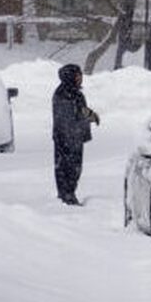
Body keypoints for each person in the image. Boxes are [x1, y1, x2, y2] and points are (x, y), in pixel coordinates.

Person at [52, 64, 99, 205]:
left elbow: (80, 110)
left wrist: (91, 115)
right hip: (66, 139)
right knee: (67, 168)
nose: (80, 78)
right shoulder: (63, 94)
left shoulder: (74, 93)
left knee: (75, 168)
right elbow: (70, 115)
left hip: (74, 138)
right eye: (77, 76)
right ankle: (67, 195)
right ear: (70, 77)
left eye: (81, 75)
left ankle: (69, 194)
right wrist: (85, 117)